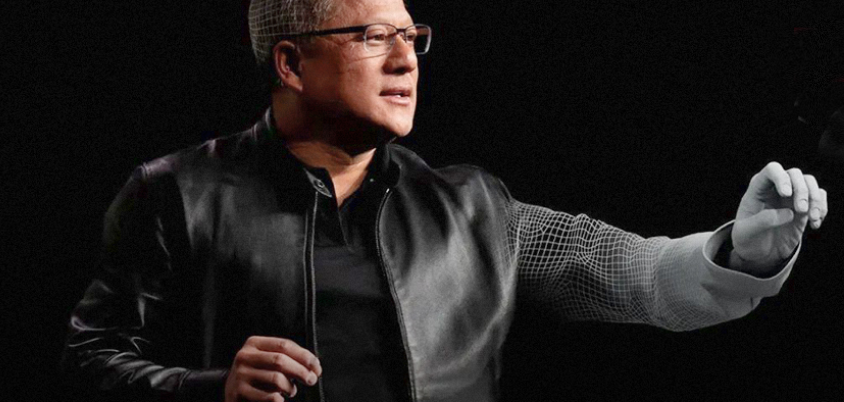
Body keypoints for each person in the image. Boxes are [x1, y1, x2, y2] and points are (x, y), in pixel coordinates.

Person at [62, 0, 830, 401]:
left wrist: (741, 253)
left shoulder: (473, 208)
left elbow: (638, 277)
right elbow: (87, 362)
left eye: (413, 36)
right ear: (290, 63)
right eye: (373, 37)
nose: (406, 61)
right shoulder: (178, 193)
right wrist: (209, 390)